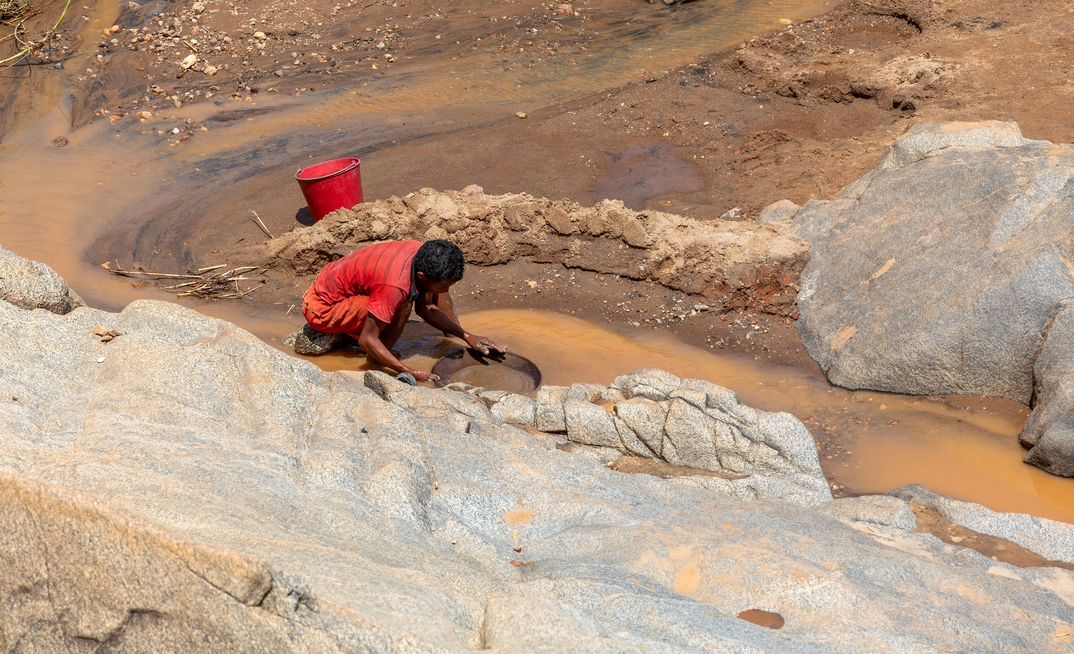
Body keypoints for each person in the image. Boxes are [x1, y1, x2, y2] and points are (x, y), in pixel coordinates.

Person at [301, 239, 504, 382]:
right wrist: (410, 371)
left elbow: (425, 308)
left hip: (340, 281)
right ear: (422, 276)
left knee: (434, 291)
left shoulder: (422, 254)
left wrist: (467, 336)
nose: (447, 291)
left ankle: (450, 336)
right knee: (403, 303)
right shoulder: (395, 287)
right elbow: (366, 340)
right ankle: (378, 357)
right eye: (444, 286)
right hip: (322, 307)